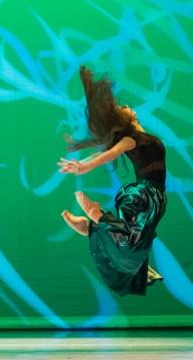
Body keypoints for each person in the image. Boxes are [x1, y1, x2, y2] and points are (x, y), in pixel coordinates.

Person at [59, 65, 167, 296]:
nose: (126, 107)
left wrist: (86, 162)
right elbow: (109, 154)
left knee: (132, 240)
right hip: (146, 194)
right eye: (121, 108)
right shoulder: (131, 139)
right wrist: (84, 166)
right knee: (134, 240)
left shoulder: (140, 137)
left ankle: (91, 229)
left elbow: (104, 151)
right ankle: (96, 214)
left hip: (143, 194)